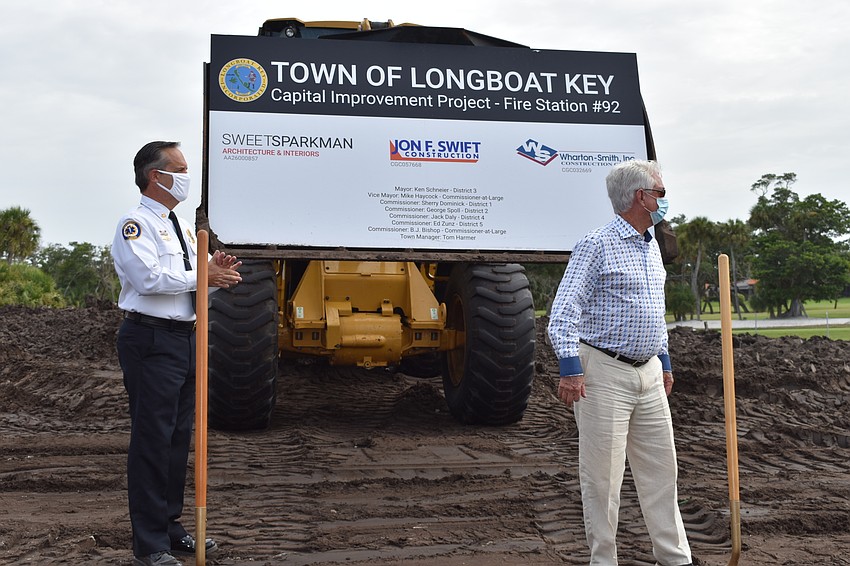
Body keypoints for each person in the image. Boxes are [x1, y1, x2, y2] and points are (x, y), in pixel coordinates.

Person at [547, 160, 693, 566]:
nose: (664, 199)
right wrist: (570, 368)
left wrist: (663, 361)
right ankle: (604, 560)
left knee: (662, 472)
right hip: (603, 373)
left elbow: (654, 312)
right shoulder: (597, 244)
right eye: (659, 192)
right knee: (603, 479)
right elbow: (563, 311)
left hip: (647, 372)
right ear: (638, 197)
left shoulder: (652, 247)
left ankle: (674, 558)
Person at [113, 141, 242, 566]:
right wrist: (203, 273)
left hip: (186, 337)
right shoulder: (135, 224)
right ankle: (149, 544)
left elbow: (195, 280)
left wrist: (216, 270)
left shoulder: (184, 228)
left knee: (176, 439)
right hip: (149, 340)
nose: (187, 176)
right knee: (152, 439)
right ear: (156, 175)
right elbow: (149, 279)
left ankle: (170, 528)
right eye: (180, 168)